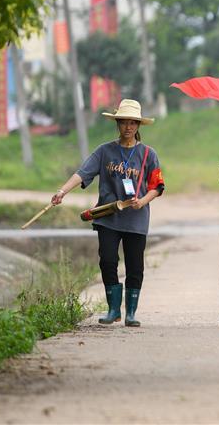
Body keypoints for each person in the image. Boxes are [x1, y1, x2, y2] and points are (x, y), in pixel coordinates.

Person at [51, 99, 164, 327]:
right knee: (108, 260)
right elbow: (82, 173)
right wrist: (62, 191)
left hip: (136, 218)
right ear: (118, 123)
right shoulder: (105, 151)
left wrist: (142, 201)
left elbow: (158, 186)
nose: (128, 127)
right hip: (107, 217)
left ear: (139, 125)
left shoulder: (148, 155)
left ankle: (131, 312)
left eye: (133, 123)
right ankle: (114, 309)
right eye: (124, 122)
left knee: (135, 265)